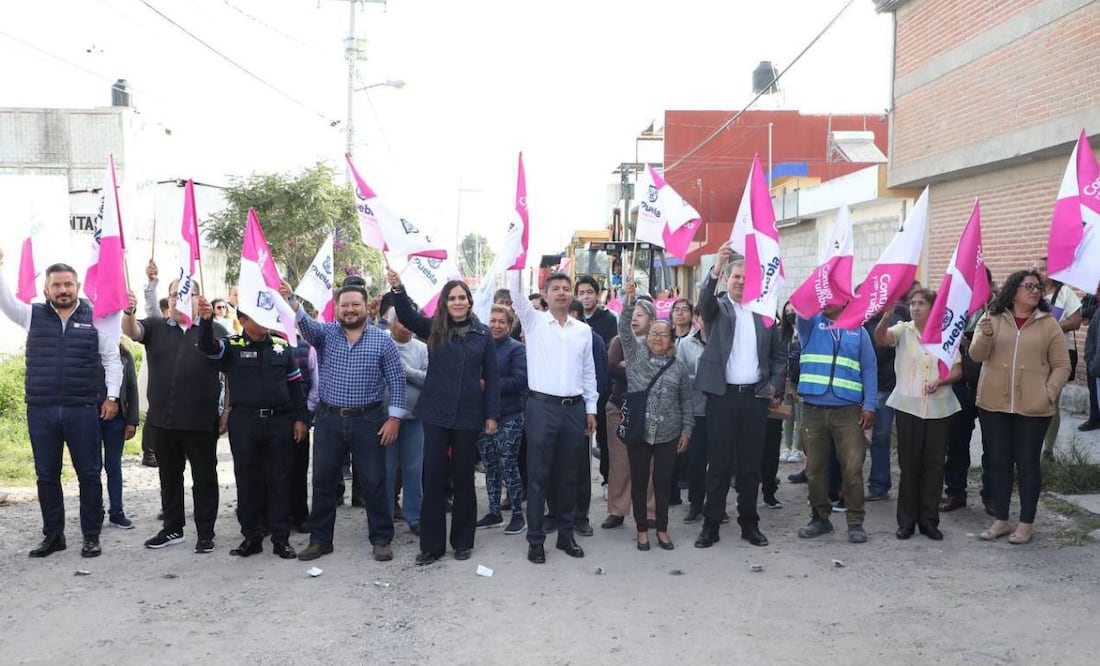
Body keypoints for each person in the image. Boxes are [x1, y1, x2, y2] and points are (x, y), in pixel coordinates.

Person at [0, 255, 122, 558]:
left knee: (90, 474)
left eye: (68, 284)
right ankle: (54, 535)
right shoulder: (32, 315)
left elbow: (112, 361)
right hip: (41, 409)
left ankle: (91, 535)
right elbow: (6, 302)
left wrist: (113, 397)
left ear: (77, 286)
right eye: (56, 285)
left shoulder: (95, 318)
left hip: (82, 409)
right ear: (46, 289)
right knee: (46, 475)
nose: (63, 290)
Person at [279, 280, 406, 562]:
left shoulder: (382, 340)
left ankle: (381, 539)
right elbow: (305, 325)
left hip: (369, 420)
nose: (350, 310)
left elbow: (397, 381)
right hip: (329, 420)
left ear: (366, 307)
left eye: (355, 305)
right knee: (323, 481)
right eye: (344, 305)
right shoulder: (325, 334)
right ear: (337, 308)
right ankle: (320, 540)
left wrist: (394, 418)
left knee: (374, 482)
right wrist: (291, 299)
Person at [387, 273, 500, 565]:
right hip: (435, 414)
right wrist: (398, 289)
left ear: (470, 301)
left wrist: (491, 415)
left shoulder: (483, 334)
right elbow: (408, 317)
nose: (458, 302)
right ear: (445, 303)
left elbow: (493, 378)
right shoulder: (435, 329)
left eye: (462, 297)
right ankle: (432, 546)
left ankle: (462, 542)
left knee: (463, 479)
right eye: (452, 298)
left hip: (468, 416)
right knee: (433, 479)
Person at [196, 300, 308, 559]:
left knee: (280, 480)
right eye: (258, 318)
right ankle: (252, 536)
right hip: (245, 422)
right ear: (244, 321)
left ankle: (281, 539)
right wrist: (205, 321)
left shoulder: (282, 346)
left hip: (279, 421)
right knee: (247, 480)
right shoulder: (233, 346)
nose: (266, 322)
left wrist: (300, 419)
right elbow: (207, 347)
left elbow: (295, 387)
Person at [124, 280, 227, 554]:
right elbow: (132, 331)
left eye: (185, 295)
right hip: (163, 421)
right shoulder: (156, 327)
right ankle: (172, 528)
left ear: (197, 298)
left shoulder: (216, 330)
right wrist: (128, 311)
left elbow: (230, 374)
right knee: (169, 477)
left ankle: (205, 532)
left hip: (201, 422)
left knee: (204, 478)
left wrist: (227, 410)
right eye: (173, 295)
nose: (177, 300)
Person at [692, 249, 785, 549]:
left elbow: (779, 355)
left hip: (755, 399)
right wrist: (716, 268)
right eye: (736, 276)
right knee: (718, 464)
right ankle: (711, 524)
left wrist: (773, 385)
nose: (741, 282)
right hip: (722, 398)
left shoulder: (765, 313)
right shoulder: (718, 308)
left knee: (749, 466)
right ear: (728, 279)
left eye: (747, 277)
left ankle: (749, 523)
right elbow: (703, 303)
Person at [971, 270, 1070, 544]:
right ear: (1013, 290)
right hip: (994, 405)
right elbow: (976, 355)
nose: (1035, 291)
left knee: (1027, 464)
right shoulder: (991, 317)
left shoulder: (1049, 324)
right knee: (999, 463)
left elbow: (1062, 365)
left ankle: (1026, 524)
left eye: (1038, 287)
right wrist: (986, 335)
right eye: (1029, 286)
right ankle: (1001, 520)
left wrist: (1047, 394)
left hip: (1034, 408)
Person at [508, 270, 597, 564]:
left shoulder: (582, 331)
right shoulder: (533, 323)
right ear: (545, 295)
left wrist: (591, 409)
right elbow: (516, 293)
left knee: (569, 475)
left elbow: (588, 373)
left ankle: (566, 534)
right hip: (541, 408)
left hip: (573, 409)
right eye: (555, 288)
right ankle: (536, 539)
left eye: (565, 288)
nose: (561, 292)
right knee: (538, 476)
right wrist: (516, 257)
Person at [874, 289, 961, 540]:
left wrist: (941, 381)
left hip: (939, 407)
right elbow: (880, 339)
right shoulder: (903, 330)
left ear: (933, 307)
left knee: (934, 465)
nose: (915, 307)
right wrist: (885, 317)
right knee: (909, 464)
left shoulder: (946, 334)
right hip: (908, 406)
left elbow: (957, 369)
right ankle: (906, 522)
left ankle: (929, 521)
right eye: (912, 303)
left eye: (921, 303)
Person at [795, 302, 878, 544]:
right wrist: (816, 292)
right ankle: (820, 518)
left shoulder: (858, 330)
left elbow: (869, 368)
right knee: (814, 468)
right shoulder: (810, 324)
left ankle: (855, 522)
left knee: (852, 468)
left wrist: (870, 405)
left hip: (848, 410)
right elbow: (802, 308)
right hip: (813, 408)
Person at [618, 281, 692, 550]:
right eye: (654, 334)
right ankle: (641, 530)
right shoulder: (636, 357)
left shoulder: (679, 367)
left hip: (669, 434)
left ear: (672, 340)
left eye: (664, 334)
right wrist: (629, 301)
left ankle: (661, 528)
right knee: (639, 483)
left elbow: (687, 402)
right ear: (647, 336)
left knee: (662, 484)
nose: (658, 338)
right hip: (639, 431)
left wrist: (686, 431)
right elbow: (624, 331)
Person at [942, 267, 996, 515]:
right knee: (956, 444)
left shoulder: (998, 311)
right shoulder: (953, 311)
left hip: (990, 387)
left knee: (993, 445)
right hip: (959, 387)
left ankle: (992, 496)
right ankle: (955, 492)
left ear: (988, 284)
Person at [603, 297, 657, 530]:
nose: (634, 318)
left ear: (652, 320)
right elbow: (614, 367)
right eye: (631, 314)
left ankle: (650, 511)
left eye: (641, 314)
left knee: (650, 463)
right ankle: (617, 510)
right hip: (620, 408)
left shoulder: (659, 343)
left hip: (652, 411)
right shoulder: (619, 341)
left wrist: (632, 367)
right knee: (620, 462)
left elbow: (661, 373)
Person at [475, 304, 528, 535]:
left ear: (510, 324)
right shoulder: (479, 345)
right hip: (482, 415)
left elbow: (519, 381)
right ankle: (494, 511)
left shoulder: (517, 349)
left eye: (501, 321)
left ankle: (518, 514)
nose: (496, 325)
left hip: (510, 415)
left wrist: (489, 384)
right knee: (490, 465)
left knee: (509, 465)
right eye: (492, 320)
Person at [384, 306, 428, 537]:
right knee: (386, 470)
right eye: (401, 322)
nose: (407, 327)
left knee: (413, 469)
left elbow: (429, 379)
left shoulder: (422, 348)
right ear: (390, 324)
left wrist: (407, 371)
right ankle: (384, 518)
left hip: (414, 418)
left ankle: (415, 516)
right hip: (385, 420)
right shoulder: (381, 343)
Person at [864, 298, 910, 501]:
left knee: (908, 439)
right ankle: (879, 485)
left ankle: (911, 486)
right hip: (879, 388)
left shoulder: (901, 319)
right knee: (880, 438)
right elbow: (871, 354)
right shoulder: (864, 323)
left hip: (903, 387)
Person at [1036, 257, 1082, 459]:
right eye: (1035, 268)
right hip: (1034, 354)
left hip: (1058, 354)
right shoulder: (1032, 293)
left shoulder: (1064, 292)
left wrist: (1053, 328)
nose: (1038, 271)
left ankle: (1048, 449)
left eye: (1042, 268)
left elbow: (1076, 321)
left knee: (1052, 400)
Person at [575, 276, 615, 493]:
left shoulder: (608, 320)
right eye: (581, 293)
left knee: (605, 439)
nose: (585, 297)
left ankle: (608, 479)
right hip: (577, 391)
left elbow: (609, 352)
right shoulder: (571, 318)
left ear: (597, 294)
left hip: (601, 387)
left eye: (589, 292)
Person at [672, 299, 709, 523]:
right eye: (704, 316)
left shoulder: (724, 342)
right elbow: (680, 376)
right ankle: (695, 504)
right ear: (698, 318)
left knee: (719, 463)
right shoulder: (686, 345)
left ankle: (716, 504)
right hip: (697, 410)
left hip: (721, 411)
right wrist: (706, 378)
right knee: (696, 461)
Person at [102, 339, 140, 530]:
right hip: (88, 417)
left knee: (113, 465)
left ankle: (116, 512)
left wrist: (132, 420)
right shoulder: (86, 350)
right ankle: (94, 512)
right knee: (90, 468)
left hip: (117, 419)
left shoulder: (124, 355)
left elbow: (132, 388)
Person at [290, 336, 319, 533]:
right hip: (272, 420)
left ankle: (300, 516)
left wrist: (305, 414)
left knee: (298, 471)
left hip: (299, 419)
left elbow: (316, 386)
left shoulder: (307, 348)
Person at [778, 301, 804, 464]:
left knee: (801, 415)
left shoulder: (805, 331)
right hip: (787, 379)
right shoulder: (783, 334)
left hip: (802, 380)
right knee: (787, 415)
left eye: (793, 310)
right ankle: (786, 446)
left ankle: (798, 447)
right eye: (787, 311)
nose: (790, 314)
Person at [1080, 282, 1100, 432]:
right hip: (1094, 357)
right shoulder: (1092, 279)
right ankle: (1095, 418)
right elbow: (1084, 307)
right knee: (1093, 389)